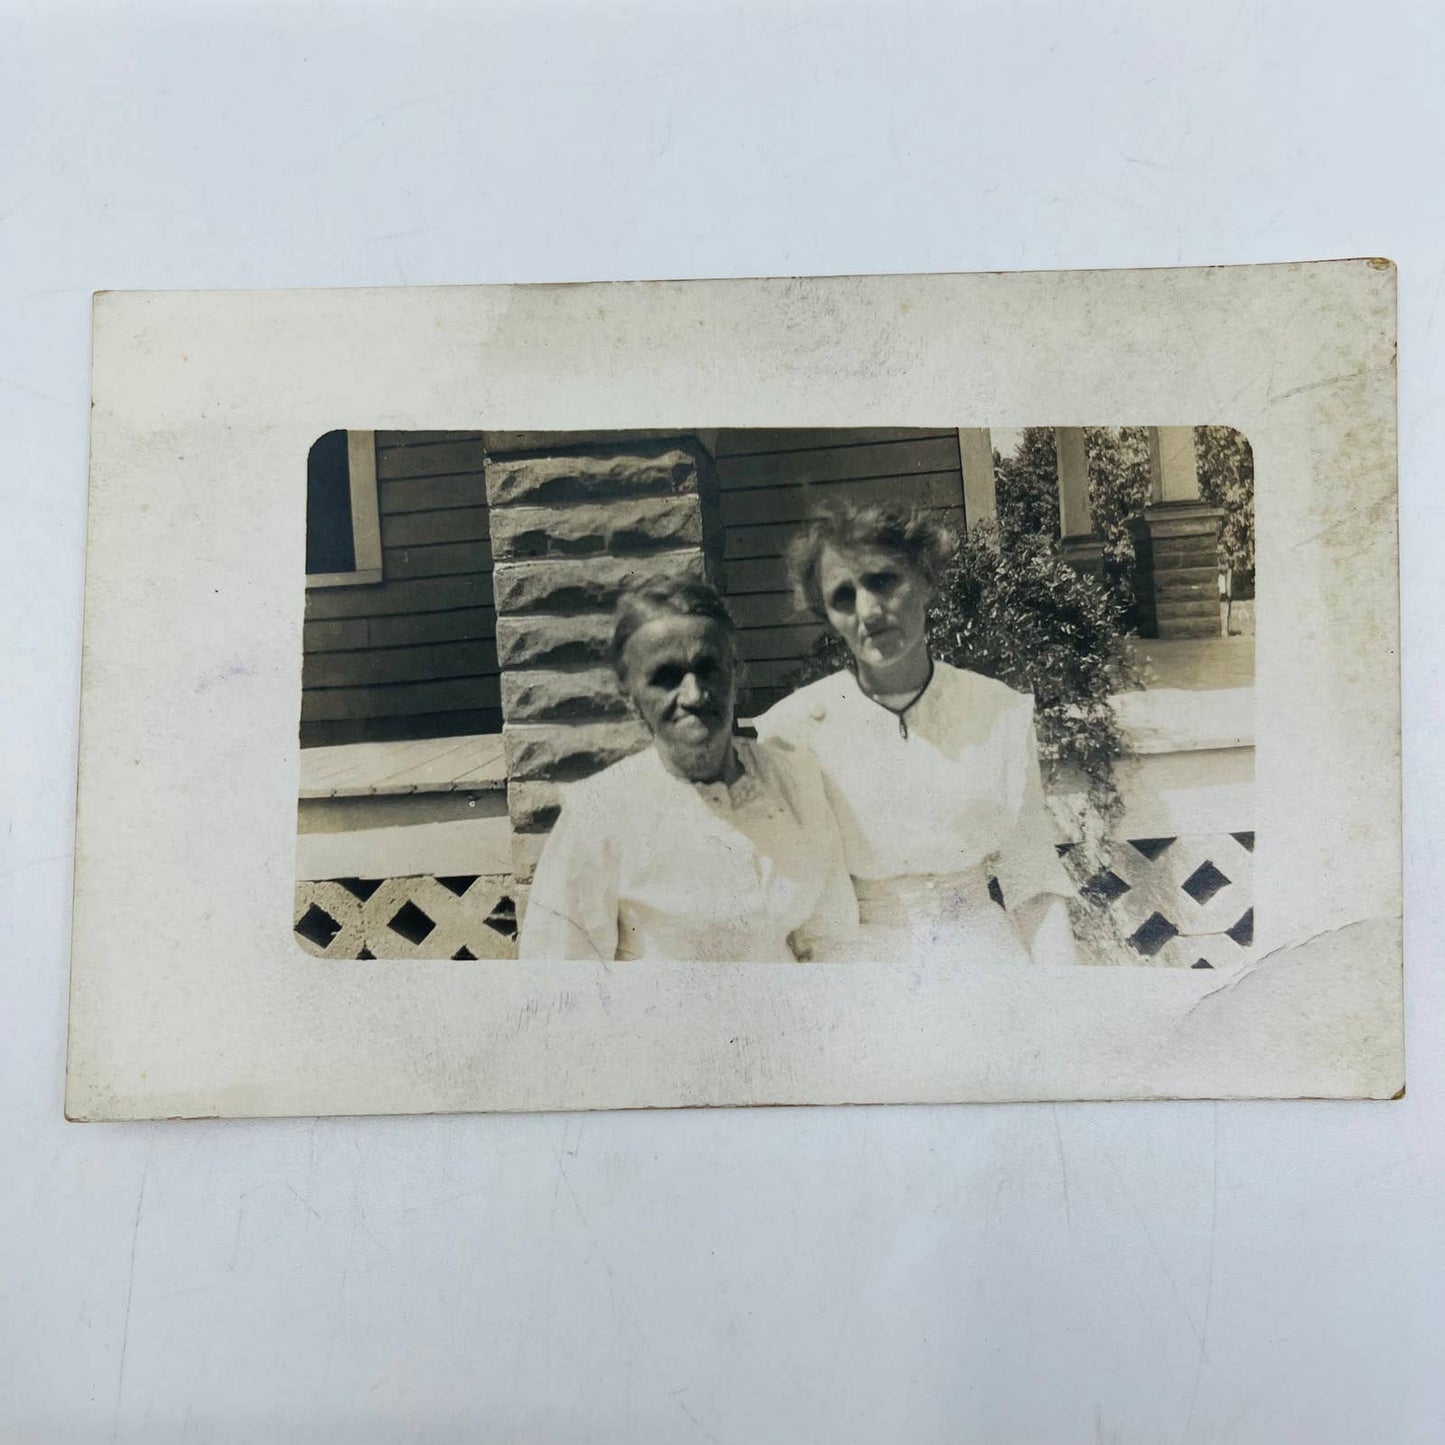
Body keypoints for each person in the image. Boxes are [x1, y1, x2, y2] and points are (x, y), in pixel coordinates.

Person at [754, 503, 1080, 968]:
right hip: (858, 972)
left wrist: (1067, 1006)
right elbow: (784, 912)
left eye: (883, 581)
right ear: (827, 616)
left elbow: (1032, 883)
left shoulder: (996, 711)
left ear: (926, 578)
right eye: (843, 597)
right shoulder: (793, 731)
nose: (867, 611)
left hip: (986, 964)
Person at [518, 576, 859, 963]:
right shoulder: (598, 813)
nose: (694, 695)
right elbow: (557, 977)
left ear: (737, 673)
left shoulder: (794, 782)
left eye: (708, 668)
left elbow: (834, 941)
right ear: (630, 697)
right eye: (666, 677)